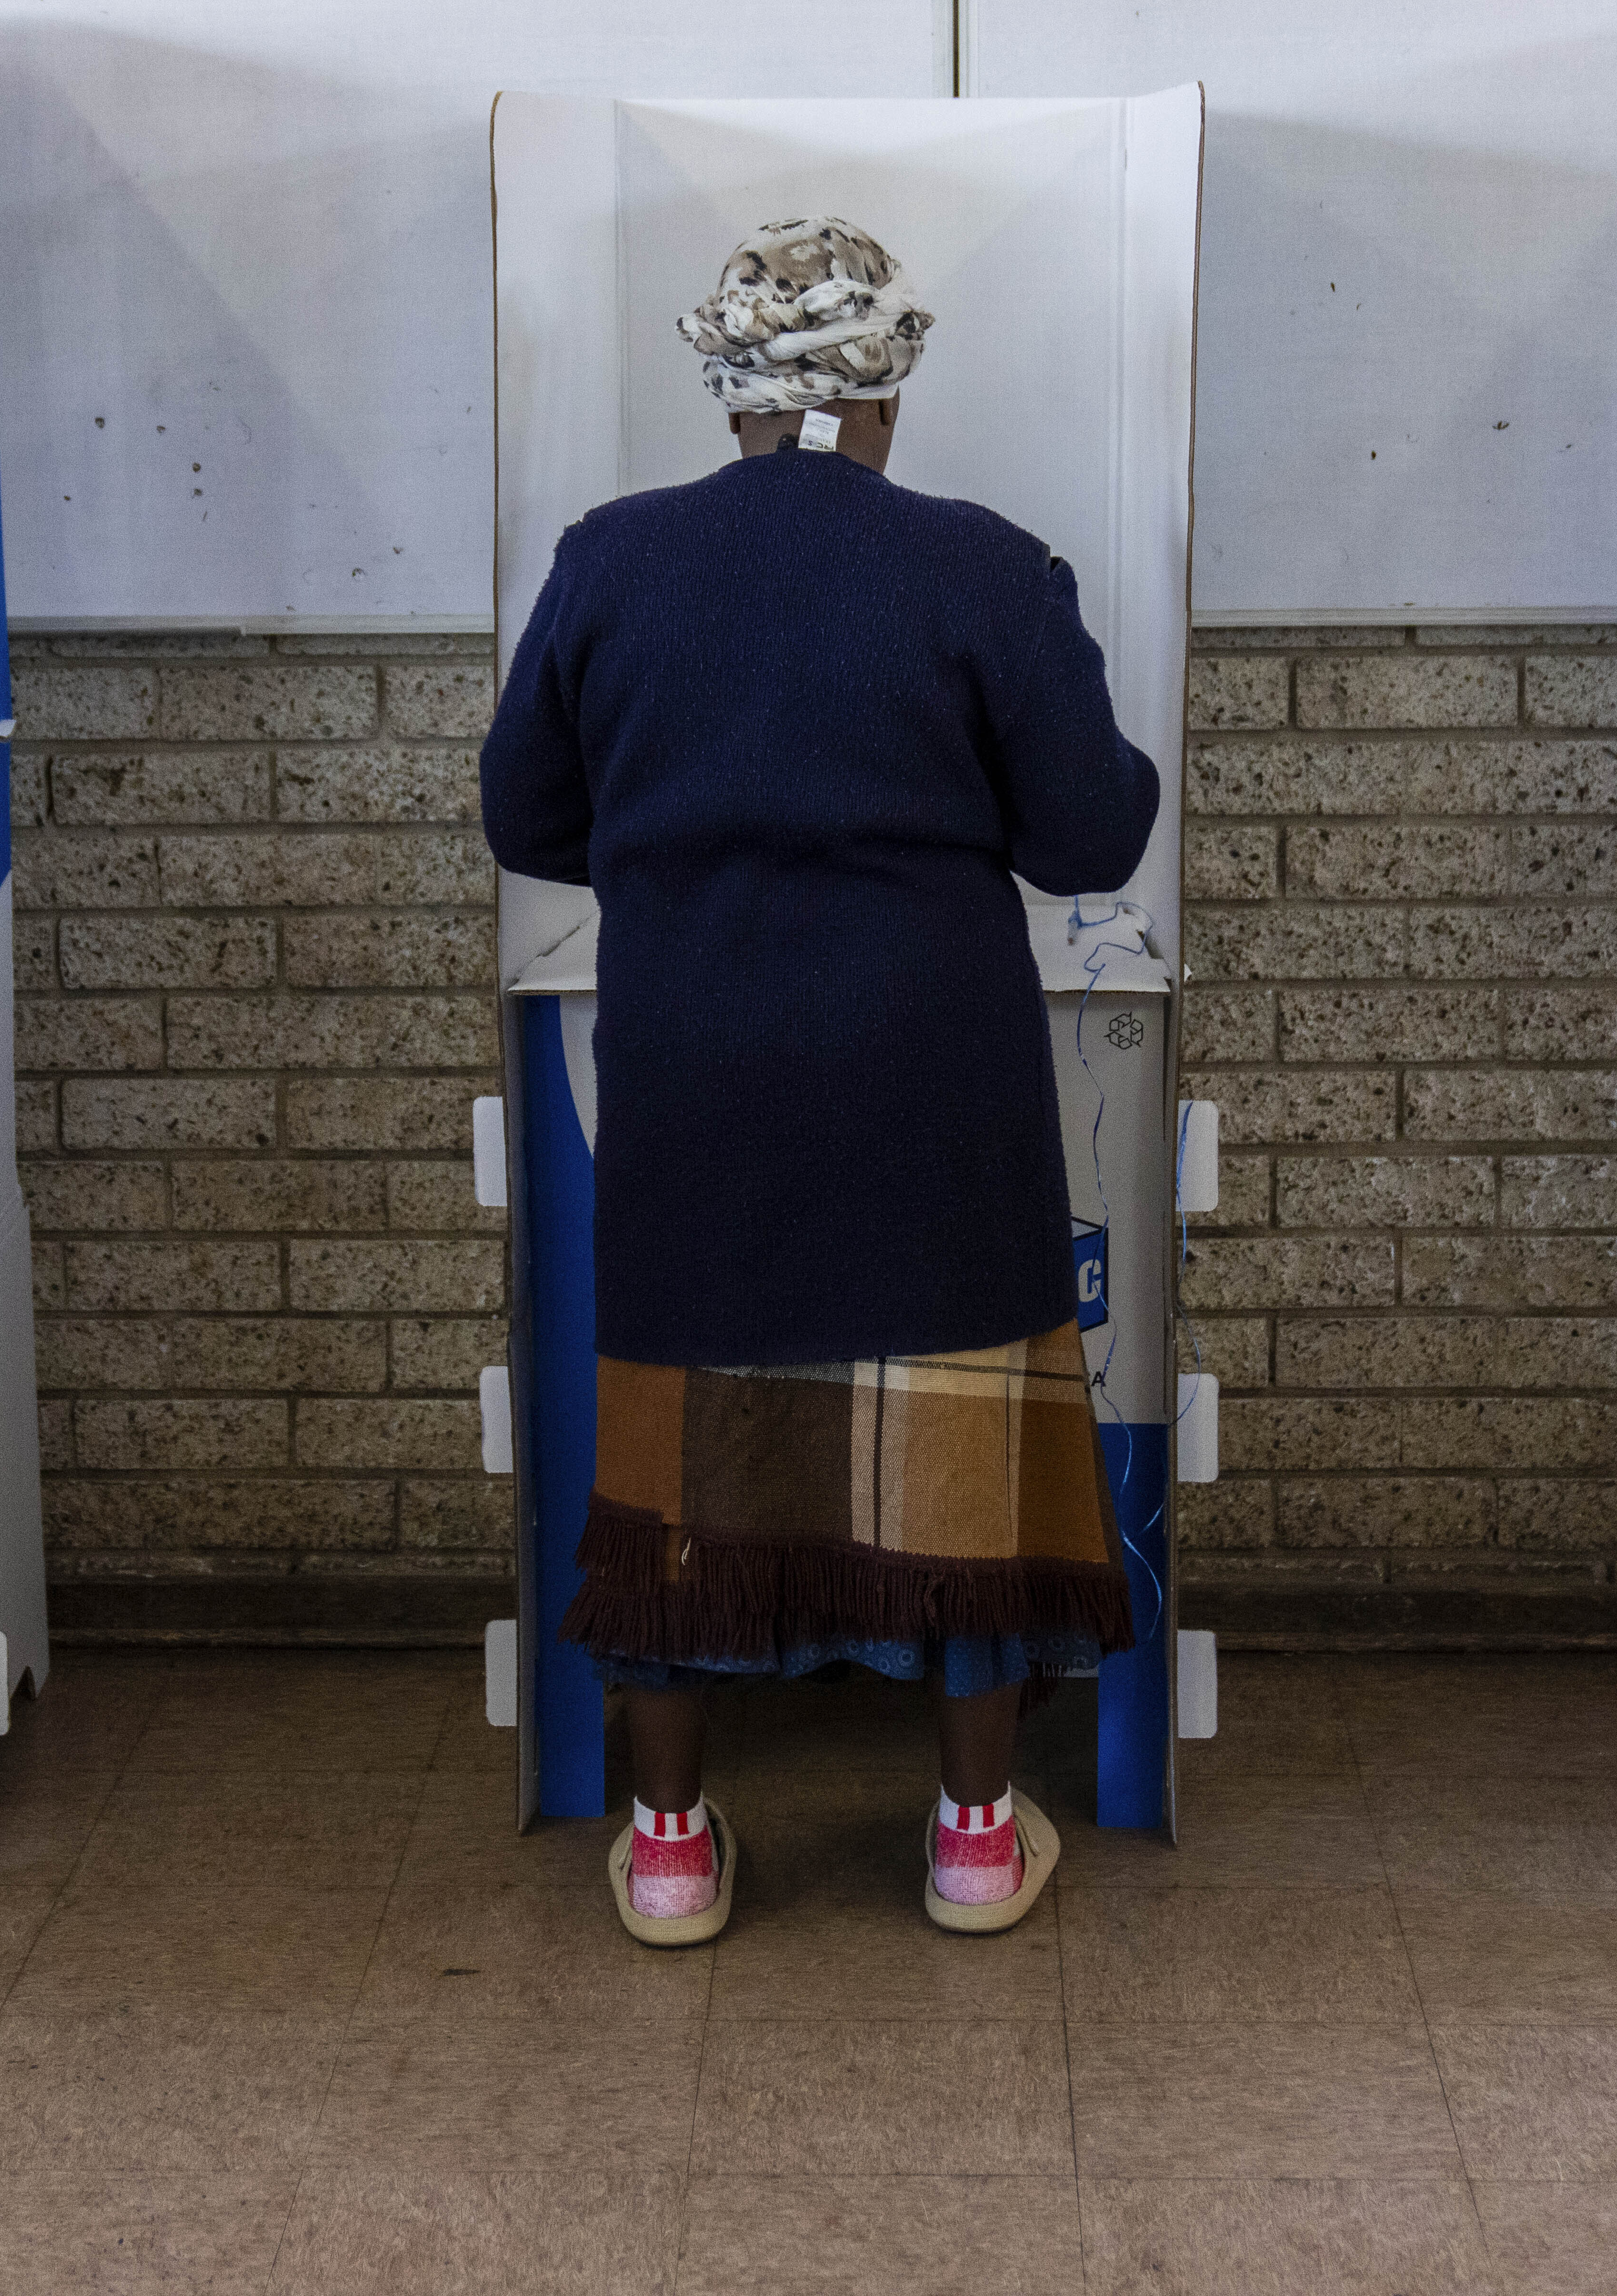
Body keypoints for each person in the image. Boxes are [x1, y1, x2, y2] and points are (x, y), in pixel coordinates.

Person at [480, 217, 1162, 1946]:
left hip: (697, 1082)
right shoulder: (985, 569)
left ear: (725, 389)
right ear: (888, 383)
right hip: (932, 1087)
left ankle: (670, 1853)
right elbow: (1092, 838)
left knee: (686, 1483)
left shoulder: (609, 562)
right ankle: (974, 1840)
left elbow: (526, 818)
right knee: (958, 1465)